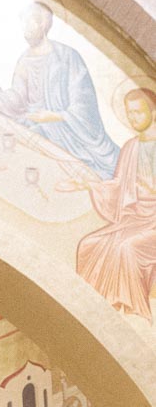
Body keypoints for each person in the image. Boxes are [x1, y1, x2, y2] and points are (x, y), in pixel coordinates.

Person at [0, 1, 118, 181]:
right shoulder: (24, 60)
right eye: (23, 24)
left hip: (68, 130)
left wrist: (55, 116)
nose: (25, 29)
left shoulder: (67, 57)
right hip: (35, 123)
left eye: (29, 23)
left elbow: (84, 102)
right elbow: (18, 96)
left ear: (43, 24)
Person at [76, 87, 156, 322]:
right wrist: (91, 185)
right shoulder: (131, 147)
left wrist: (148, 190)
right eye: (129, 113)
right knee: (90, 243)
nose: (133, 118)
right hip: (134, 218)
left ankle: (132, 312)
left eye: (138, 112)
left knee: (127, 248)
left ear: (153, 111)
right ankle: (94, 309)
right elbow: (119, 185)